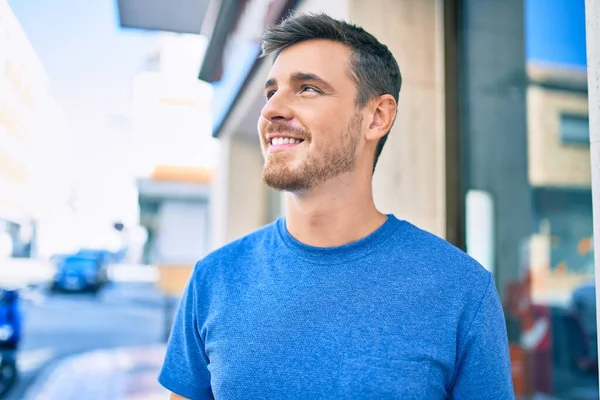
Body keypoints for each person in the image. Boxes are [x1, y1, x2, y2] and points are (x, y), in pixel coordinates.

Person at [158, 12, 515, 400]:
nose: (271, 110)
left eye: (308, 88)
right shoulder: (214, 278)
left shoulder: (460, 288)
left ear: (376, 117)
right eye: (271, 92)